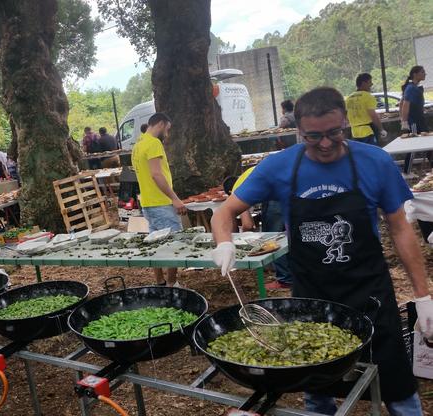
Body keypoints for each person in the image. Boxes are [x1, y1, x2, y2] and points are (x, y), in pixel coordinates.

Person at [210, 87, 429, 415]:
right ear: (298, 130)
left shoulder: (375, 161)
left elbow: (400, 229)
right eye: (313, 136)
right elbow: (223, 213)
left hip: (370, 292)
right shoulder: (278, 167)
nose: (326, 143)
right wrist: (224, 242)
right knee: (316, 385)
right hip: (313, 296)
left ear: (345, 123)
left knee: (397, 386)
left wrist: (424, 296)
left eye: (334, 133)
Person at [132, 113, 184, 287]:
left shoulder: (138, 145)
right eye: (167, 130)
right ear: (161, 124)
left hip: (147, 203)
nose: (167, 134)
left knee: (155, 243)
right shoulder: (154, 143)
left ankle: (160, 282)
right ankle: (171, 284)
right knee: (173, 243)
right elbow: (156, 174)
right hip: (161, 203)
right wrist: (175, 198)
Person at [346, 73, 386, 145]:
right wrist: (381, 129)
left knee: (361, 154)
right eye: (370, 82)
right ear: (363, 83)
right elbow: (373, 115)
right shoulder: (368, 96)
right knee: (372, 152)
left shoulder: (349, 98)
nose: (371, 84)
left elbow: (346, 116)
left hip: (354, 132)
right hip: (368, 131)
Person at [400, 65, 428, 134]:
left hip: (419, 119)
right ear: (415, 74)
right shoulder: (411, 88)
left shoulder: (415, 87)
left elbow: (401, 102)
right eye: (422, 72)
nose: (425, 74)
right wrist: (404, 122)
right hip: (414, 122)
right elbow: (405, 105)